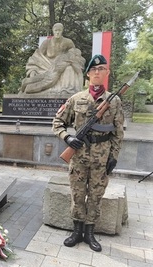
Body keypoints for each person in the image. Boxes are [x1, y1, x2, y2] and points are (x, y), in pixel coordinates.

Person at [52, 54, 124, 252]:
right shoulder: (76, 99)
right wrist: (68, 138)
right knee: (77, 194)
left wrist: (114, 157)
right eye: (94, 70)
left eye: (102, 69)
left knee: (96, 195)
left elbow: (118, 132)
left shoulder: (114, 101)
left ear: (106, 73)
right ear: (88, 74)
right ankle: (76, 232)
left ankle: (90, 233)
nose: (98, 72)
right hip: (79, 156)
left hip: (102, 157)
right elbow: (57, 123)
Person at [20, 23, 85, 95]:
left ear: (62, 31)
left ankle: (66, 90)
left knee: (69, 69)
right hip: (46, 67)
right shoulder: (46, 42)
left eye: (59, 30)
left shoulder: (68, 42)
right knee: (42, 77)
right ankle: (29, 85)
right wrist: (33, 70)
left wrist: (69, 62)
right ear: (53, 31)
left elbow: (75, 54)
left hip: (62, 66)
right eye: (56, 30)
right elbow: (37, 57)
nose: (57, 32)